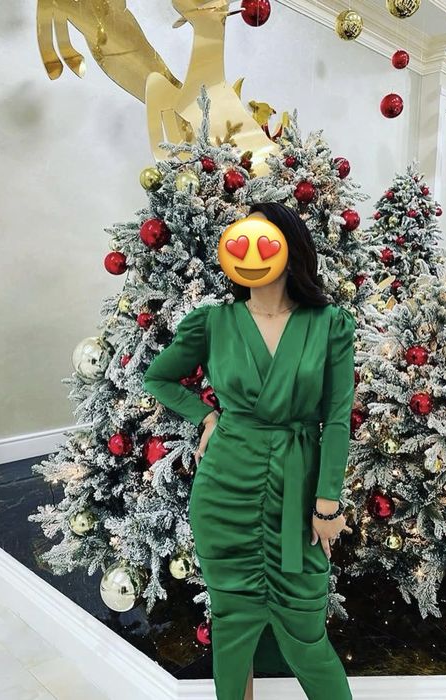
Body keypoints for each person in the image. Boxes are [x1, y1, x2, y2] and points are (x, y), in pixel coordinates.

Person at [143, 201, 355, 700]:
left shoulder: (329, 324)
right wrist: (206, 415)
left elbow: (337, 418)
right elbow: (158, 377)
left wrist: (327, 503)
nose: (252, 254)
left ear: (289, 247)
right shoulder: (212, 322)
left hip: (296, 491)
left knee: (306, 635)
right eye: (241, 243)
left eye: (264, 241)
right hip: (225, 492)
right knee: (233, 627)